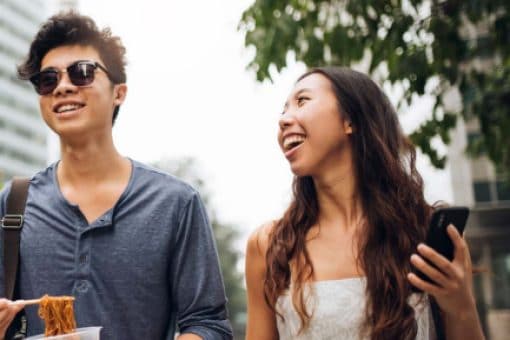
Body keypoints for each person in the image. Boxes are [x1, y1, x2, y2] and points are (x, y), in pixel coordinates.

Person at [0, 11, 232, 340]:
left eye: (82, 73)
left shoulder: (175, 204)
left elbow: (209, 323)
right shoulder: (13, 204)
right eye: (47, 79)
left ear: (119, 92)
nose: (63, 86)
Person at [245, 67, 485, 340]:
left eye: (302, 101)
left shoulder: (425, 234)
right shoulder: (270, 246)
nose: (284, 120)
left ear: (350, 120)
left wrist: (461, 305)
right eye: (283, 110)